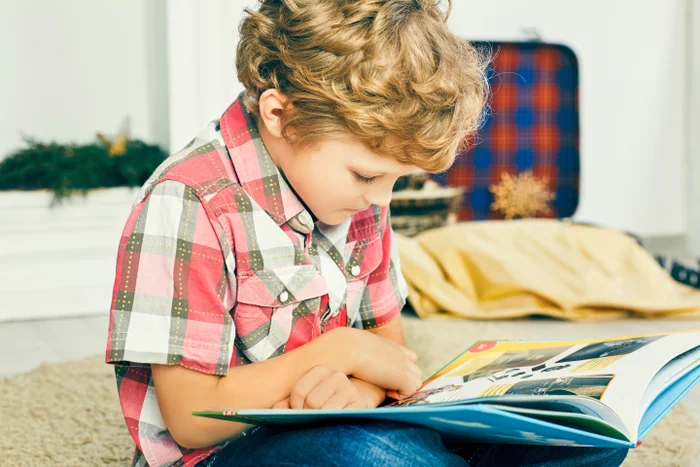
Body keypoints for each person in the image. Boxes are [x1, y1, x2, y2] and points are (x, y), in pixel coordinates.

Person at [105, 1, 628, 466]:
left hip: (355, 423)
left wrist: (361, 388)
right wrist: (340, 354)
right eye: (368, 175)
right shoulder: (189, 202)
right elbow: (191, 419)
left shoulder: (358, 196)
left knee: (589, 430)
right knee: (361, 453)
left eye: (396, 180)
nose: (382, 200)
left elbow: (390, 360)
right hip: (232, 451)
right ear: (280, 115)